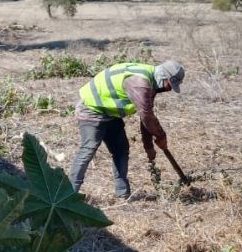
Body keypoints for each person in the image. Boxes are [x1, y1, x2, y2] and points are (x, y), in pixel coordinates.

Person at [68, 60, 185, 199]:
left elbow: (145, 117)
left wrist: (149, 147)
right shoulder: (140, 83)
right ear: (164, 77)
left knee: (121, 149)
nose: (169, 89)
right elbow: (146, 115)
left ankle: (122, 194)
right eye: (170, 85)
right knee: (88, 149)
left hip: (110, 112)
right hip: (91, 108)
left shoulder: (151, 81)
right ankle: (69, 195)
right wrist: (160, 136)